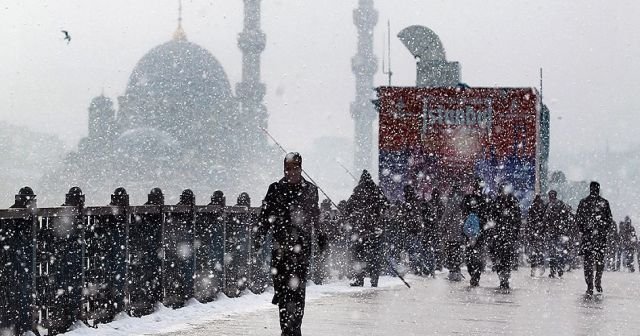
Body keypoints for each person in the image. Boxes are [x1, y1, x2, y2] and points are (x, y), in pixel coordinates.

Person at [254, 152, 320, 336]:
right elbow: (265, 217)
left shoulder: (310, 190)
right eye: (287, 168)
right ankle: (286, 327)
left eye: (294, 167)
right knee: (282, 291)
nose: (290, 172)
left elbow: (315, 216)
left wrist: (321, 235)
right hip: (280, 249)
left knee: (298, 292)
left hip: (301, 250)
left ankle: (294, 329)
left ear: (300, 168)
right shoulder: (275, 189)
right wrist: (259, 236)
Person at [345, 170, 389, 287]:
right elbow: (386, 204)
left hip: (360, 231)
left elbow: (347, 208)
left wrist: (352, 216)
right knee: (375, 256)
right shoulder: (377, 191)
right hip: (375, 230)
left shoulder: (357, 191)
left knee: (358, 256)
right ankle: (374, 280)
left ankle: (359, 279)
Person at [576, 181, 615, 296]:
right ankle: (592, 283)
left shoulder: (588, 202)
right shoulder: (590, 202)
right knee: (595, 262)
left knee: (594, 262)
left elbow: (609, 220)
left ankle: (593, 283)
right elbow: (579, 219)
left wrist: (594, 228)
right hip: (594, 237)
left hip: (594, 237)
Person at [489, 183, 522, 290]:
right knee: (498, 257)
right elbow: (492, 217)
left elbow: (517, 219)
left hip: (508, 235)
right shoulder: (497, 202)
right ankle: (502, 276)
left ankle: (505, 278)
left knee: (506, 258)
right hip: (499, 235)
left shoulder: (513, 202)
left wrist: (514, 232)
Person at [462, 178, 490, 287]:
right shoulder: (483, 199)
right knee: (476, 256)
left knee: (471, 256)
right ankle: (475, 275)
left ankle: (474, 275)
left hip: (471, 234)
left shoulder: (469, 198)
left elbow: (463, 212)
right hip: (477, 234)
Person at [543, 190, 571, 278]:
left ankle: (554, 270)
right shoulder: (560, 204)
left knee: (553, 253)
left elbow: (544, 219)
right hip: (558, 232)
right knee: (558, 252)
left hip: (554, 232)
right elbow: (566, 217)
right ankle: (558, 269)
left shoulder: (549, 206)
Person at [441, 184, 465, 281]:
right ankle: (457, 271)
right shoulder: (464, 201)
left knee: (451, 252)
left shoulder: (452, 202)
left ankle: (453, 272)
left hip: (452, 232)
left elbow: (446, 217)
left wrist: (442, 227)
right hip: (461, 232)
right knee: (458, 252)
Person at [527, 194, 546, 277]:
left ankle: (536, 267)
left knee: (537, 252)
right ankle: (536, 267)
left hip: (537, 233)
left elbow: (530, 221)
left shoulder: (534, 207)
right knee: (537, 252)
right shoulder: (540, 208)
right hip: (537, 233)